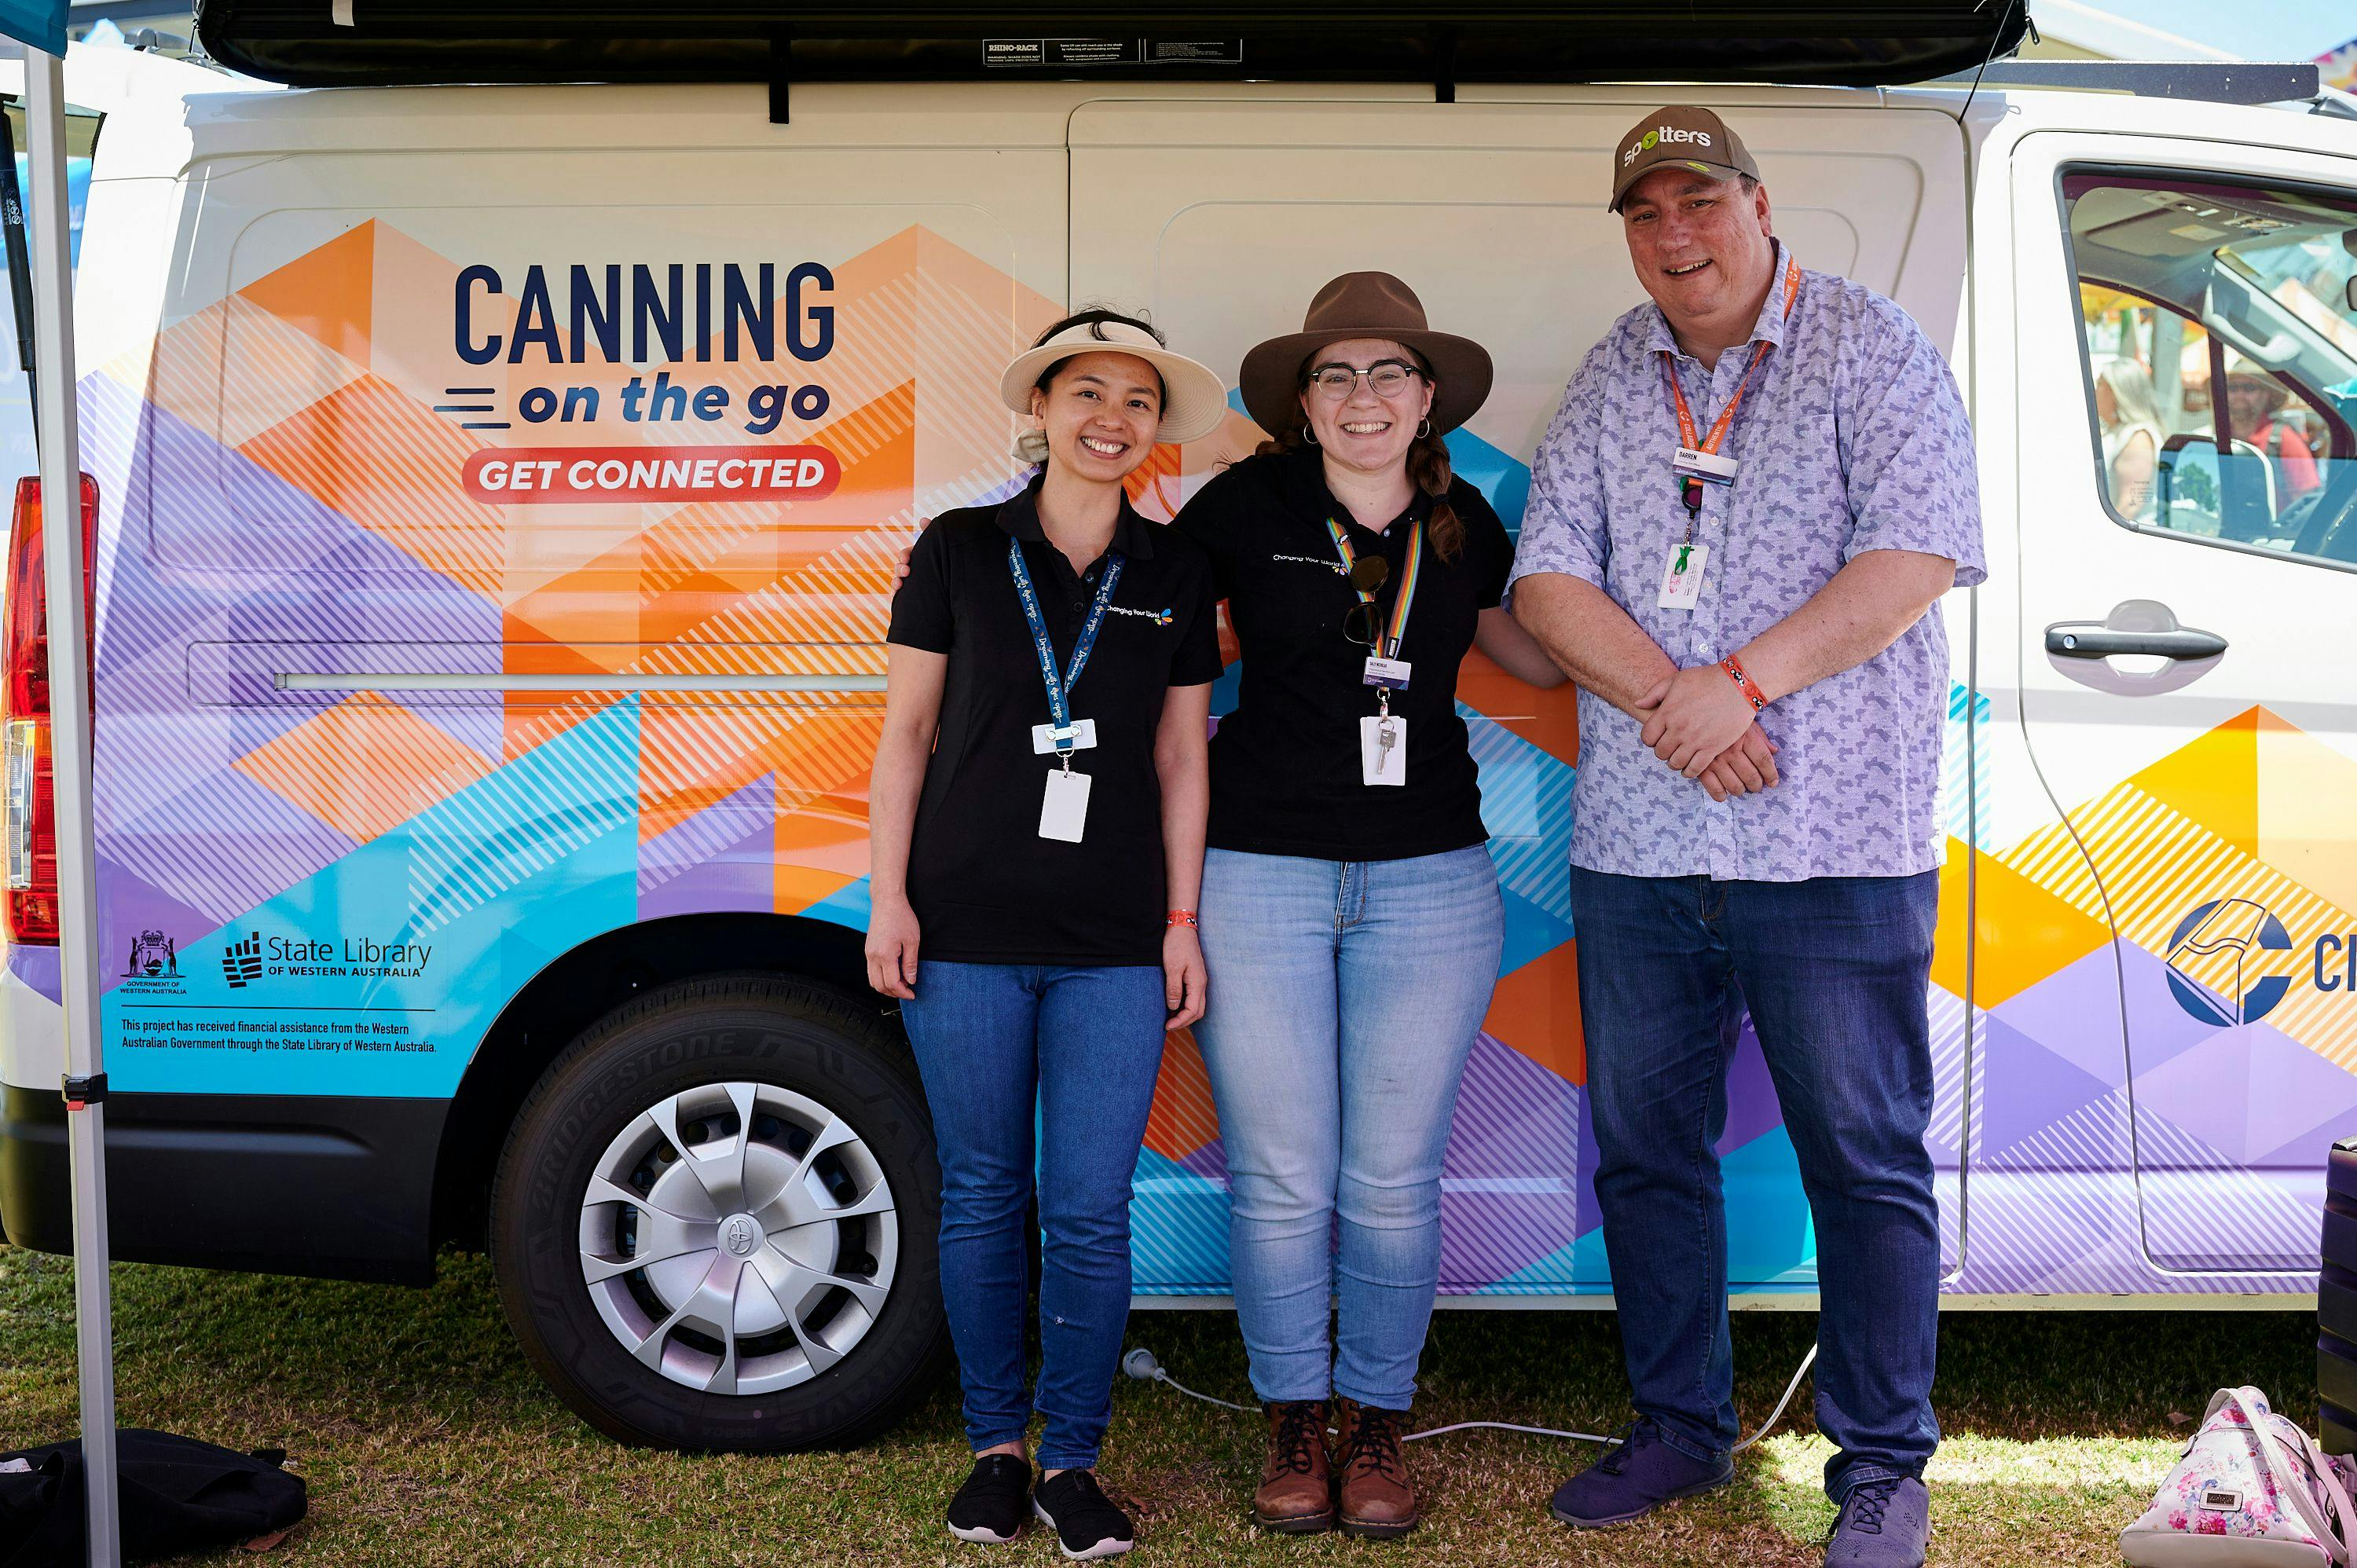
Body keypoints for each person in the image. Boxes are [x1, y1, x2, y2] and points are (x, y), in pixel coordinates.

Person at [1509, 107, 1984, 1568]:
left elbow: (1913, 557)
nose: (1675, 236)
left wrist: (1744, 684)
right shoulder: (1611, 374)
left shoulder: (1870, 345)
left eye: (1699, 204)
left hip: (1834, 844)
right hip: (1645, 848)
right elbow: (1545, 584)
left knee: (1865, 1155)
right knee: (1649, 1152)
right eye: (1647, 214)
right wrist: (1675, 699)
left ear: (1759, 208)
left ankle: (1885, 1465)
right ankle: (1679, 1427)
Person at [1176, 272, 1565, 1540]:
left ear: (1427, 395)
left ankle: (1379, 1422)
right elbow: (1168, 656)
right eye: (1335, 376)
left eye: (1388, 372)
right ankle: (1295, 1417)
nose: (1363, 398)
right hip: (1259, 875)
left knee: (1393, 1176)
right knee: (1284, 1175)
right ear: (1303, 401)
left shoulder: (1465, 526)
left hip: (1431, 884)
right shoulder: (1242, 506)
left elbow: (1540, 654)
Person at [865, 310, 1228, 1559]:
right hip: (962, 927)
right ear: (1044, 410)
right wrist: (889, 898)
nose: (1111, 418)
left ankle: (1072, 1459)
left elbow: (1183, 756)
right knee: (980, 1196)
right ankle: (994, 1454)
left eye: (1136, 400)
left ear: (1154, 427)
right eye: (1088, 392)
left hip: (1116, 941)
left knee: (1086, 1209)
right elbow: (905, 734)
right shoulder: (964, 548)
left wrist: (1182, 922)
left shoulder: (1173, 571)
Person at [2224, 368, 2322, 507]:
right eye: (2232, 388)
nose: (2240, 395)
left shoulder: (2284, 439)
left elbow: (2305, 500)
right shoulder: (2217, 436)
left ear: (2266, 395)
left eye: (2249, 388)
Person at [2094, 356, 2165, 518]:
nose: (2094, 392)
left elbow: (2133, 503)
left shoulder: (2138, 438)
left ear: (2116, 392)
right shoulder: (2119, 433)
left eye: (2099, 386)